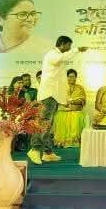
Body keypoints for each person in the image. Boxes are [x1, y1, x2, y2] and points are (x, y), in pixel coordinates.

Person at [27, 35, 86, 165]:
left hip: (53, 96)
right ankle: (35, 149)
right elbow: (62, 58)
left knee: (48, 125)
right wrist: (76, 50)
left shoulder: (57, 55)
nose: (69, 48)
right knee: (44, 123)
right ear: (62, 44)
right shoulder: (53, 54)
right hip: (48, 95)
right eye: (69, 45)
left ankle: (48, 153)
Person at [53, 68, 87, 147]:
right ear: (66, 78)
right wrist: (66, 104)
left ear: (76, 78)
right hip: (64, 110)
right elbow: (58, 100)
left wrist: (71, 101)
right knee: (59, 116)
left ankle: (74, 141)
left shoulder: (80, 88)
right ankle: (61, 141)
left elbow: (82, 100)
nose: (71, 78)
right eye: (69, 76)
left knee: (76, 116)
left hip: (76, 110)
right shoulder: (61, 88)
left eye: (73, 76)